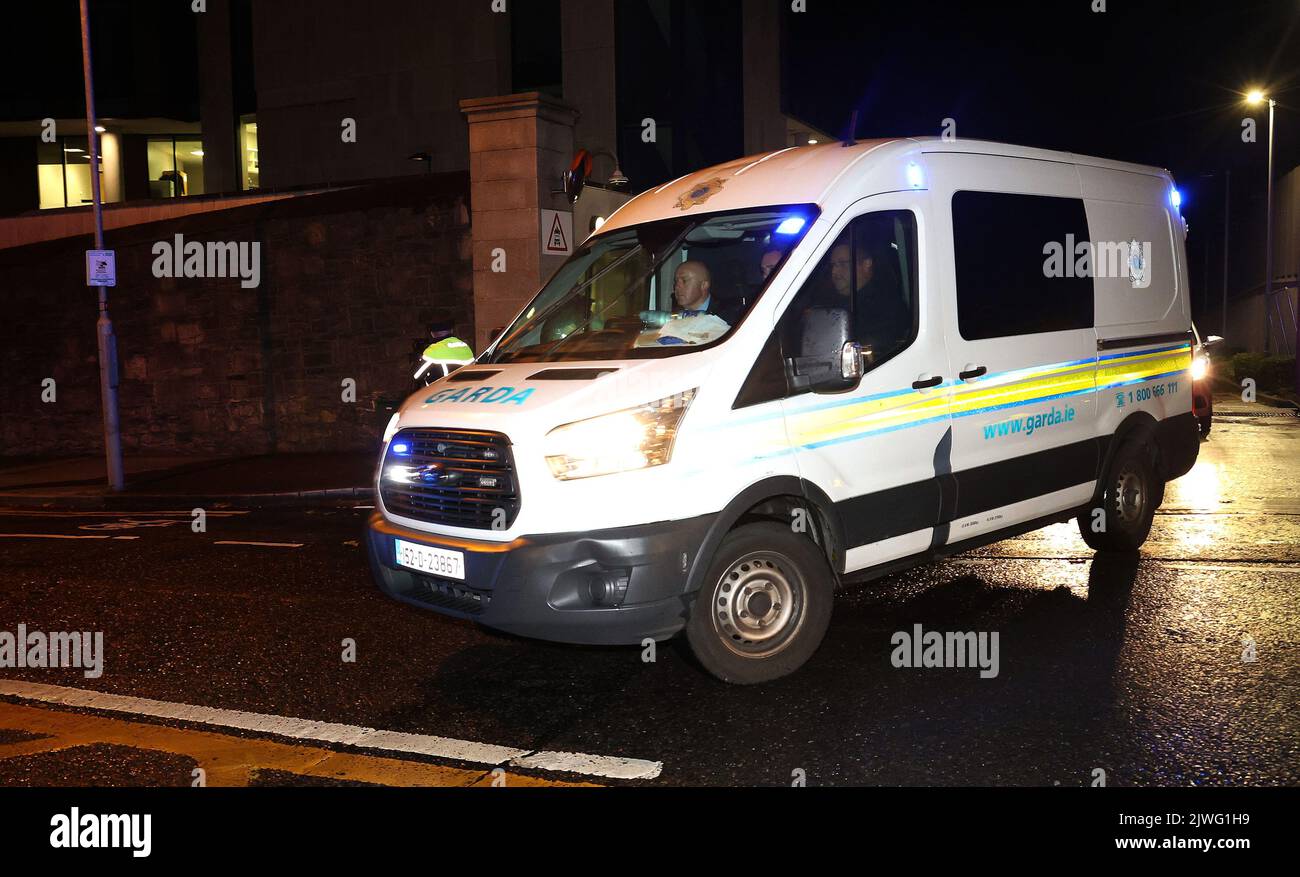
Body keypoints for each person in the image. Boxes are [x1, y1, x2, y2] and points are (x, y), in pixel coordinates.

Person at [673, 260, 743, 324]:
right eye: (676, 281)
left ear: (704, 285)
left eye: (684, 280)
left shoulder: (729, 316)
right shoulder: (672, 316)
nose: (677, 286)